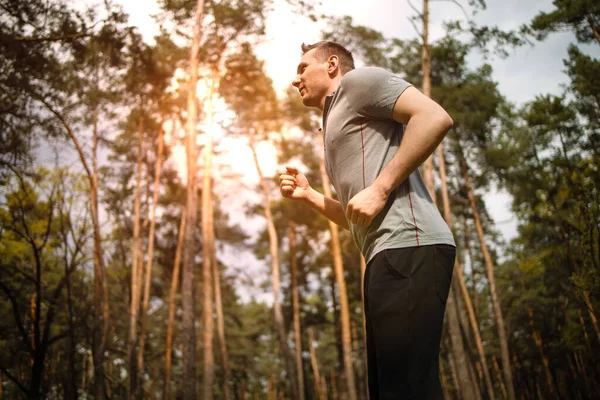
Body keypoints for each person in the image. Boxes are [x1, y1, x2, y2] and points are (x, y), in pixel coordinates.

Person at [279, 41, 456, 399]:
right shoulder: (330, 123)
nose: (295, 79)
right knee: (392, 389)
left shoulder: (358, 83)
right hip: (383, 256)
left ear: (331, 65)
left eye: (302, 68)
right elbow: (357, 216)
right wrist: (310, 196)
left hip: (411, 243)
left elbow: (435, 117)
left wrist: (380, 187)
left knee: (407, 388)